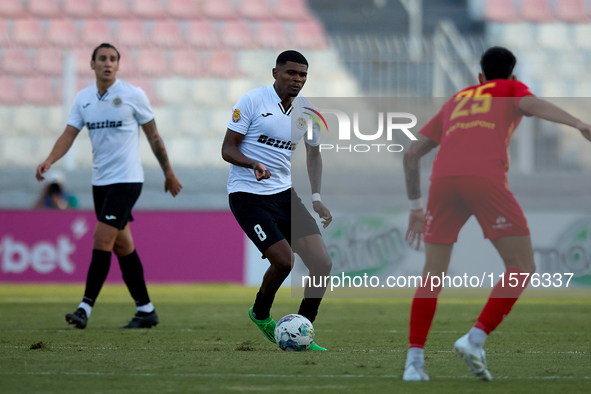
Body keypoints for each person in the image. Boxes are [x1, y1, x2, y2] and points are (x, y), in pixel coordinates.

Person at [401, 46, 591, 381]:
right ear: (514, 76)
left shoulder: (458, 99)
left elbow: (413, 152)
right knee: (522, 265)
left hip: (442, 181)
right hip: (483, 179)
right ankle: (475, 339)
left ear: (479, 77)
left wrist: (416, 207)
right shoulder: (511, 89)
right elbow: (532, 105)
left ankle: (414, 364)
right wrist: (577, 123)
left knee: (432, 273)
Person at [35, 43, 182, 329]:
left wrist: (169, 172)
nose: (107, 63)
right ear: (92, 64)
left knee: (101, 239)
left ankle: (84, 308)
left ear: (118, 65)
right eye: (102, 59)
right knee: (122, 245)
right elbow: (69, 133)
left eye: (113, 59)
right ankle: (146, 310)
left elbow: (153, 136)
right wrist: (50, 160)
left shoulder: (132, 95)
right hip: (100, 183)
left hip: (127, 180)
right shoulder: (84, 99)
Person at [221, 50, 333, 351]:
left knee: (322, 264)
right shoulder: (252, 101)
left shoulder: (308, 112)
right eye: (291, 73)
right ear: (275, 73)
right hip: (248, 195)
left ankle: (304, 332)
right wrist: (252, 164)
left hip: (284, 195)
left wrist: (317, 198)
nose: (297, 80)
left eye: (302, 75)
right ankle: (260, 313)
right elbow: (228, 149)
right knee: (284, 261)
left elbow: (314, 154)